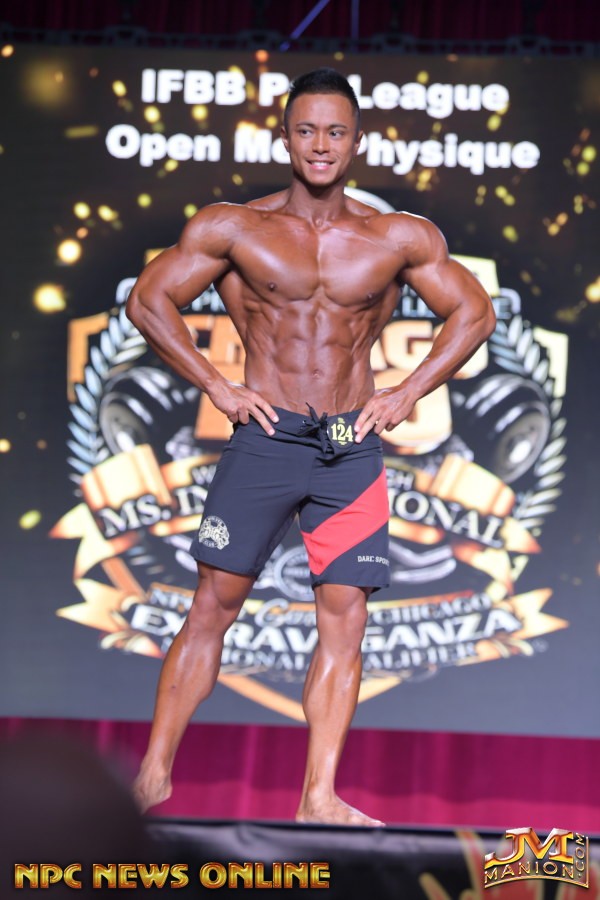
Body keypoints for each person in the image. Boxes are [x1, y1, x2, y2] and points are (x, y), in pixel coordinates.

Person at [126, 68, 495, 826]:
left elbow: (474, 314)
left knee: (346, 616)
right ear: (285, 139)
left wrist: (406, 391)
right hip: (267, 440)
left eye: (334, 132)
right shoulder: (234, 228)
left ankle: (319, 796)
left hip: (349, 450)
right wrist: (216, 384)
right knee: (212, 607)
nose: (320, 145)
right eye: (305, 130)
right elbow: (148, 299)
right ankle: (152, 777)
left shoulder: (398, 237)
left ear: (356, 142)